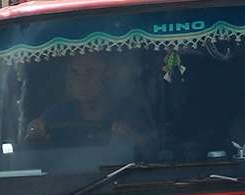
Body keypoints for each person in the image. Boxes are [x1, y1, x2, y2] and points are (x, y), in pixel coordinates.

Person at [24, 53, 152, 147]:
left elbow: (152, 155)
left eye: (90, 72)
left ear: (107, 76)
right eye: (75, 73)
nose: (81, 80)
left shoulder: (130, 112)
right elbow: (29, 153)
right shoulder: (57, 114)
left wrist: (131, 136)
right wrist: (34, 131)